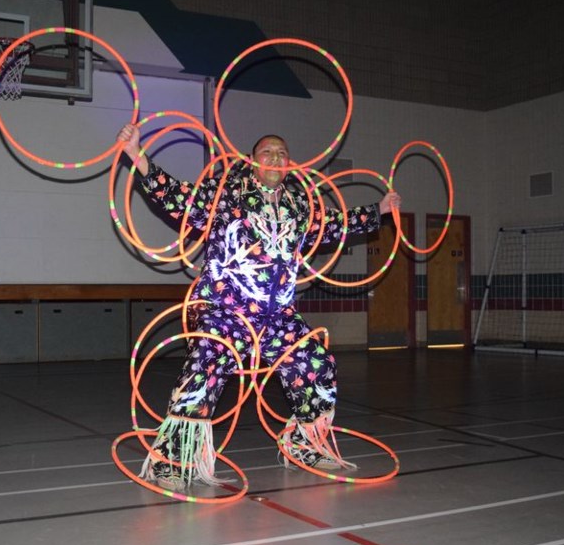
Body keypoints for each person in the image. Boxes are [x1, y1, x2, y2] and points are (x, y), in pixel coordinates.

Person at [117, 123, 401, 491]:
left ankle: (304, 443)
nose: (275, 157)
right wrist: (137, 156)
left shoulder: (301, 204)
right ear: (252, 161)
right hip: (226, 308)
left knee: (316, 362)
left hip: (276, 316)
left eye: (282, 152)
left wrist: (380, 208)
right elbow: (181, 199)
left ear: (290, 163)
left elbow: (334, 224)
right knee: (207, 362)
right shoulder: (227, 193)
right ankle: (172, 459)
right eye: (267, 152)